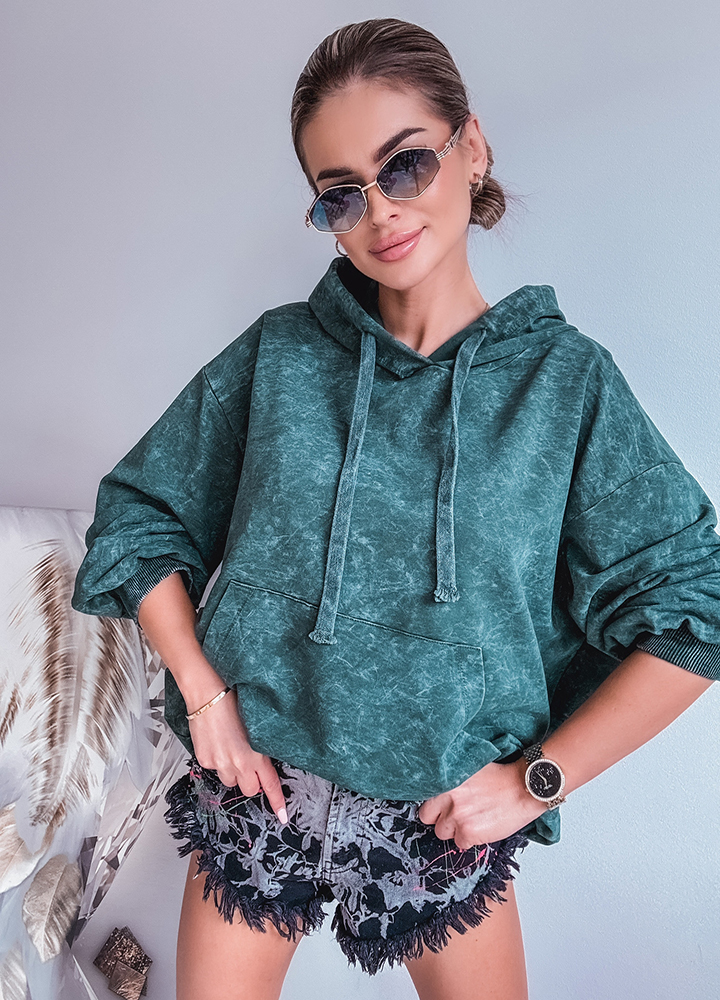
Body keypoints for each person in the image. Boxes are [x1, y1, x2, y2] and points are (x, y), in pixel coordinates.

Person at [71, 17, 720, 1000]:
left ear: (473, 146)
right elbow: (138, 515)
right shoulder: (280, 356)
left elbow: (693, 610)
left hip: (440, 821)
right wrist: (203, 695)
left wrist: (538, 780)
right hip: (258, 798)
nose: (380, 211)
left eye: (405, 164)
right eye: (341, 192)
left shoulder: (564, 385)